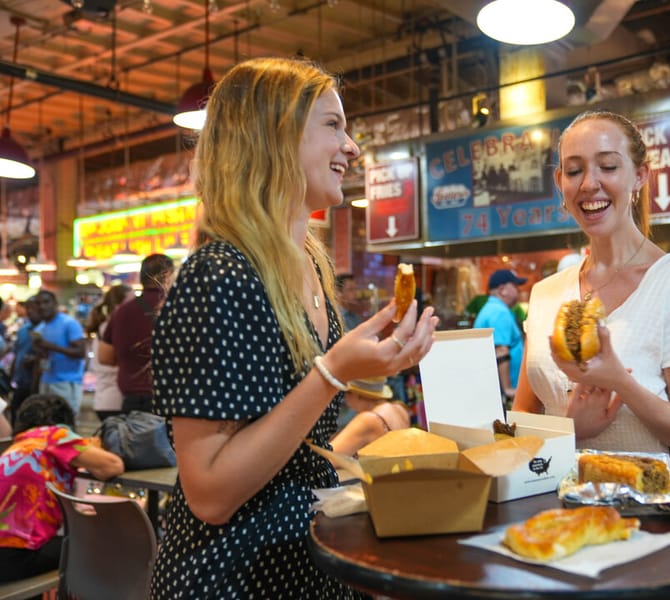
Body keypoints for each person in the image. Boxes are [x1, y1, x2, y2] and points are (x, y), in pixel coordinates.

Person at [149, 57, 438, 599]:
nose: (351, 147)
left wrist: (370, 373)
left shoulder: (307, 266)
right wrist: (332, 373)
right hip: (234, 577)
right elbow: (210, 493)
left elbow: (294, 432)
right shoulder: (221, 274)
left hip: (305, 561)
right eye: (332, 125)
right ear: (272, 136)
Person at [512, 110, 670, 459]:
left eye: (608, 167)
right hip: (550, 501)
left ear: (639, 176)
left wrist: (619, 381)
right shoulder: (545, 293)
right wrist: (571, 432)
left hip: (643, 502)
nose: (589, 183)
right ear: (560, 182)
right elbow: (521, 420)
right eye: (574, 171)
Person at [0, 393, 124, 583]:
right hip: (16, 558)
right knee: (108, 541)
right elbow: (112, 466)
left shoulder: (18, 447)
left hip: (8, 557)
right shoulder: (54, 435)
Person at [98, 254, 175, 414]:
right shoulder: (179, 308)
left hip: (132, 402)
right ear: (169, 276)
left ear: (141, 278)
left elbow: (104, 357)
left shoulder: (122, 311)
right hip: (171, 401)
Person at [473, 269, 527, 403]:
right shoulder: (499, 312)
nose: (518, 291)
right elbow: (501, 350)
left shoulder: (491, 309)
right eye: (515, 286)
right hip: (502, 393)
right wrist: (508, 389)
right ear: (502, 289)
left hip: (491, 388)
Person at [31, 290, 87, 418]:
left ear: (55, 303)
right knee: (47, 423)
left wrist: (51, 346)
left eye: (46, 302)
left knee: (66, 423)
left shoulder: (69, 323)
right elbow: (42, 357)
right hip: (46, 380)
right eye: (38, 303)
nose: (42, 306)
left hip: (67, 381)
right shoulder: (40, 328)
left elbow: (80, 352)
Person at [84, 284, 133, 421]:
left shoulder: (104, 326)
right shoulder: (114, 327)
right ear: (118, 305)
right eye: (131, 300)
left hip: (105, 400)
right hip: (116, 400)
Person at [8, 296, 40, 428]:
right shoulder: (23, 330)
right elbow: (17, 353)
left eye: (34, 308)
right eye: (28, 308)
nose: (31, 311)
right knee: (15, 413)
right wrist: (12, 376)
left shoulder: (45, 329)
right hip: (21, 381)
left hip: (38, 383)